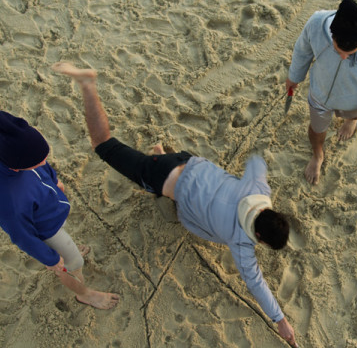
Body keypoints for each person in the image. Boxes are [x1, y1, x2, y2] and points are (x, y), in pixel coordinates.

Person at [52, 62, 298, 347]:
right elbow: (256, 285)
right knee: (103, 145)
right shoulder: (241, 243)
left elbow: (256, 162)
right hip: (162, 176)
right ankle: (87, 83)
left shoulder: (259, 190)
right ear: (257, 237)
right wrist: (281, 321)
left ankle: (160, 153)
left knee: (178, 194)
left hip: (188, 160)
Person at [0, 110, 120, 309]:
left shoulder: (3, 140)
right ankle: (85, 294)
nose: (44, 163)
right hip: (45, 227)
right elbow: (22, 236)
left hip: (47, 205)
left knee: (67, 246)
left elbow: (39, 165)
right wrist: (50, 259)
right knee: (72, 264)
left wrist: (54, 180)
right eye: (37, 163)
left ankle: (67, 250)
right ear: (16, 167)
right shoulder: (7, 201)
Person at [286, 0, 357, 185]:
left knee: (354, 114)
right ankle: (318, 155)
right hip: (320, 93)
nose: (344, 57)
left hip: (354, 99)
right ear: (332, 34)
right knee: (316, 129)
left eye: (351, 53)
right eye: (338, 51)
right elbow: (303, 49)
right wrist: (294, 76)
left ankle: (350, 121)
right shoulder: (316, 23)